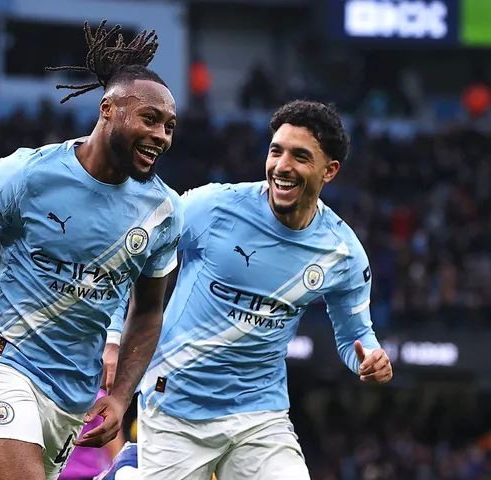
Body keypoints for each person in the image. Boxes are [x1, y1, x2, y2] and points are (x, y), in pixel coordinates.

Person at [0, 20, 182, 480]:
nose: (161, 135)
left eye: (169, 126)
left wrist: (121, 396)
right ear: (108, 109)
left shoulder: (164, 211)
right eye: (150, 119)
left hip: (72, 401)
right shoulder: (27, 174)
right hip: (0, 365)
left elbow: (147, 312)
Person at [106, 100, 393, 479]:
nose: (282, 166)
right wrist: (114, 335)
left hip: (260, 415)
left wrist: (369, 359)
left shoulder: (342, 253)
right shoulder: (214, 207)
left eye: (300, 156)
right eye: (276, 151)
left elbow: (355, 336)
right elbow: (128, 256)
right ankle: (128, 471)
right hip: (177, 403)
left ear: (330, 170)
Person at [59, 389, 126, 480]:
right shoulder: (49, 392)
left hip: (88, 473)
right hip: (55, 473)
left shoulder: (98, 399)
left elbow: (115, 446)